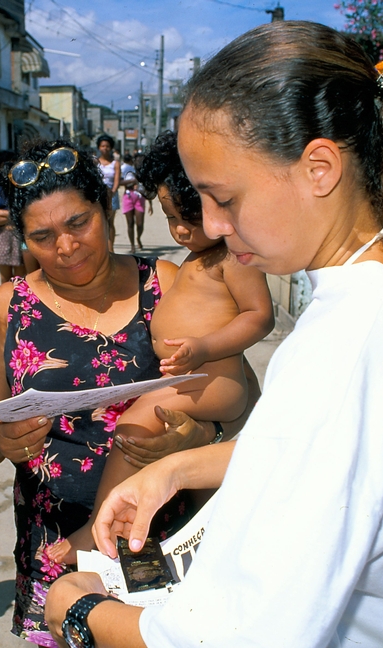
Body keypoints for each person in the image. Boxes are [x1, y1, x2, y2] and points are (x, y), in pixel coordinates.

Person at [43, 21, 383, 648]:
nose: (214, 225)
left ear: (318, 168)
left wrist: (83, 614)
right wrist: (181, 468)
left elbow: (244, 637)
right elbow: (338, 455)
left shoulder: (350, 347)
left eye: (223, 197)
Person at [0, 140, 252, 647]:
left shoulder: (163, 281)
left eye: (79, 224)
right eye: (43, 236)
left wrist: (199, 434)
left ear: (107, 209)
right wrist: (0, 438)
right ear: (22, 239)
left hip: (166, 535)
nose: (66, 247)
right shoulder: (7, 307)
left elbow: (238, 390)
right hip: (57, 543)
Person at [48, 130, 274, 562]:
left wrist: (206, 346)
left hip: (216, 381)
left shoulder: (233, 255)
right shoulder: (199, 258)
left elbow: (259, 316)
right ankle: (126, 519)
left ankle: (99, 525)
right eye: (170, 218)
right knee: (138, 425)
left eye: (188, 217)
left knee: (135, 420)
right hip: (197, 378)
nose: (180, 230)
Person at [0, 150, 26, 283]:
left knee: (21, 279)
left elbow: (26, 215)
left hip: (19, 237)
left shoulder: (22, 191)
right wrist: (13, 216)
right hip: (2, 238)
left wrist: (1, 213)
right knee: (5, 279)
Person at [95, 135, 120, 245]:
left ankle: (111, 247)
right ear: (99, 147)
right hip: (98, 195)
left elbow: (117, 181)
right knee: (99, 222)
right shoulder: (95, 162)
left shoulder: (115, 163)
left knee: (110, 222)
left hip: (112, 195)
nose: (105, 148)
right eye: (102, 146)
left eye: (107, 146)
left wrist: (112, 192)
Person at [119, 154, 146, 253]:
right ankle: (132, 245)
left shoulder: (143, 171)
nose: (138, 162)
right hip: (128, 195)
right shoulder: (127, 169)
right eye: (137, 160)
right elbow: (119, 182)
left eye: (141, 160)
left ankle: (138, 237)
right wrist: (131, 181)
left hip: (140, 196)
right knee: (130, 223)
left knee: (140, 224)